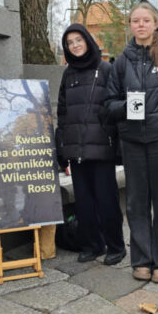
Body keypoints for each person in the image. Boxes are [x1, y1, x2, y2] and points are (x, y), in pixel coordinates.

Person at [104, 2, 158, 284]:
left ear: (155, 24)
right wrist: (126, 106)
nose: (140, 25)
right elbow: (108, 104)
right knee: (137, 204)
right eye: (135, 21)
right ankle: (141, 260)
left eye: (146, 20)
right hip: (132, 143)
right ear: (130, 25)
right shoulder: (121, 61)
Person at [56, 23, 125, 265]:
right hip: (76, 150)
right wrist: (62, 148)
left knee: (107, 201)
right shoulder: (68, 74)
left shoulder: (106, 69)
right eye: (69, 43)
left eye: (78, 40)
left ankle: (116, 245)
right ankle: (92, 244)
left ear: (87, 40)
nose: (75, 45)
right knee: (84, 203)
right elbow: (62, 112)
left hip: (101, 148)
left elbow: (116, 107)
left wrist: (114, 142)